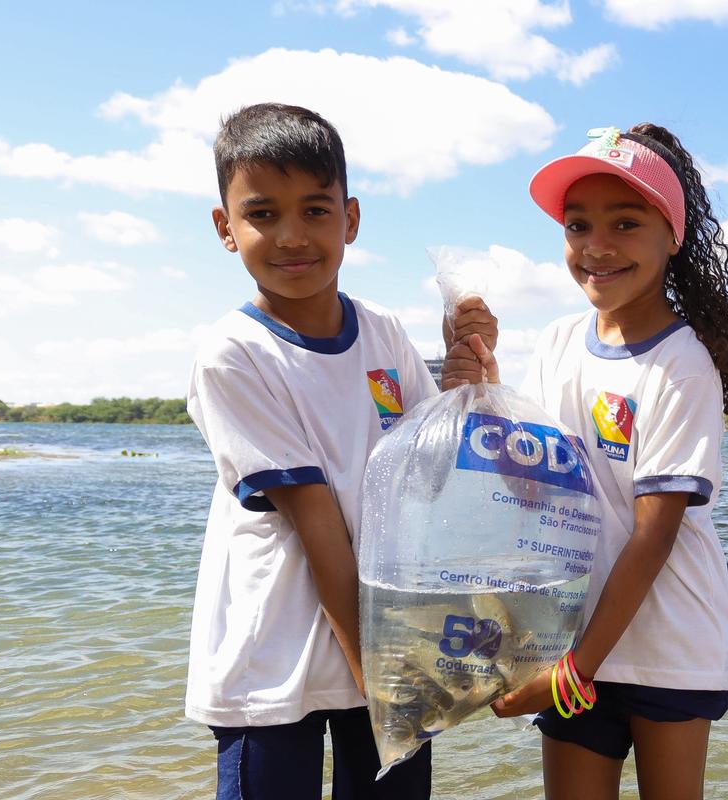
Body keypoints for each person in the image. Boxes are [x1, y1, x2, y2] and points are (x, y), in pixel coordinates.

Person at [444, 123, 728, 800]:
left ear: (671, 235)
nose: (596, 246)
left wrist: (571, 673)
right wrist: (481, 388)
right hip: (572, 639)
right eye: (578, 224)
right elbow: (532, 490)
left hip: (669, 653)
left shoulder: (681, 365)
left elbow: (654, 536)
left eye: (625, 223)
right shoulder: (561, 341)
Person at [185, 102, 494, 800]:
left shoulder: (383, 333)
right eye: (262, 213)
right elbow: (318, 522)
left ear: (350, 219)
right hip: (276, 666)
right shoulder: (234, 355)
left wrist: (465, 371)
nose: (292, 236)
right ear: (224, 228)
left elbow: (438, 473)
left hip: (392, 645)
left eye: (315, 211)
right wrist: (379, 676)